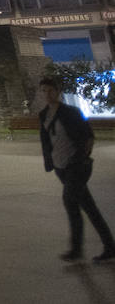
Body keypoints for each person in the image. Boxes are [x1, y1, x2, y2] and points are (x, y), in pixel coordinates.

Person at [38, 77, 115, 262]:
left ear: (58, 91)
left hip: (76, 166)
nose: (47, 94)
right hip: (60, 166)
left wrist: (82, 157)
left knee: (70, 201)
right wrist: (51, 161)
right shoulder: (43, 114)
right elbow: (47, 140)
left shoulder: (72, 112)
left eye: (50, 90)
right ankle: (109, 246)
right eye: (44, 91)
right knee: (88, 206)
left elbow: (89, 136)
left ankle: (76, 249)